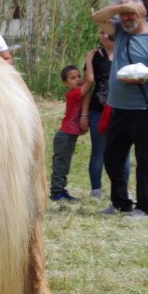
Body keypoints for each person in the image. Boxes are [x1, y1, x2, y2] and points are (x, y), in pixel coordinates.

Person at [91, 0, 148, 218]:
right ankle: (120, 203)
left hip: (143, 111)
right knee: (112, 158)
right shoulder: (119, 30)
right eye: (124, 14)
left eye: (132, 13)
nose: (127, 18)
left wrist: (144, 78)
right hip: (118, 109)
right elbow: (96, 17)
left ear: (142, 12)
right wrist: (121, 7)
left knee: (144, 160)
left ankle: (144, 208)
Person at [79, 30, 131, 201]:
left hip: (122, 110)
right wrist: (84, 114)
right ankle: (96, 191)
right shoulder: (94, 56)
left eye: (107, 33)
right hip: (97, 111)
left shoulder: (127, 53)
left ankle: (123, 190)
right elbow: (88, 86)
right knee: (98, 153)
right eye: (101, 33)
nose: (103, 36)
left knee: (124, 154)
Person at [50, 64, 92, 201]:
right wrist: (89, 62)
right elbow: (90, 82)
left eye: (79, 76)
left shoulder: (78, 91)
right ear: (65, 83)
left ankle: (61, 189)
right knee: (60, 163)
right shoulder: (72, 94)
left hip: (70, 135)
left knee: (65, 163)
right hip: (65, 135)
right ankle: (56, 192)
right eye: (73, 78)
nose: (78, 79)